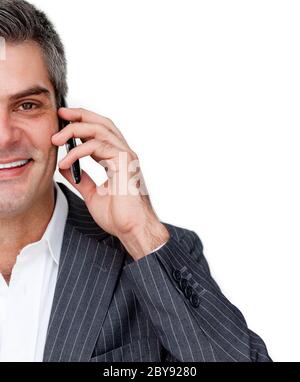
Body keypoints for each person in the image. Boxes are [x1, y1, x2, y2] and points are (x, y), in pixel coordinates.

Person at [0, 0, 271, 362]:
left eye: (27, 105)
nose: (4, 136)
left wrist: (140, 232)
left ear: (64, 122)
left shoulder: (148, 254)